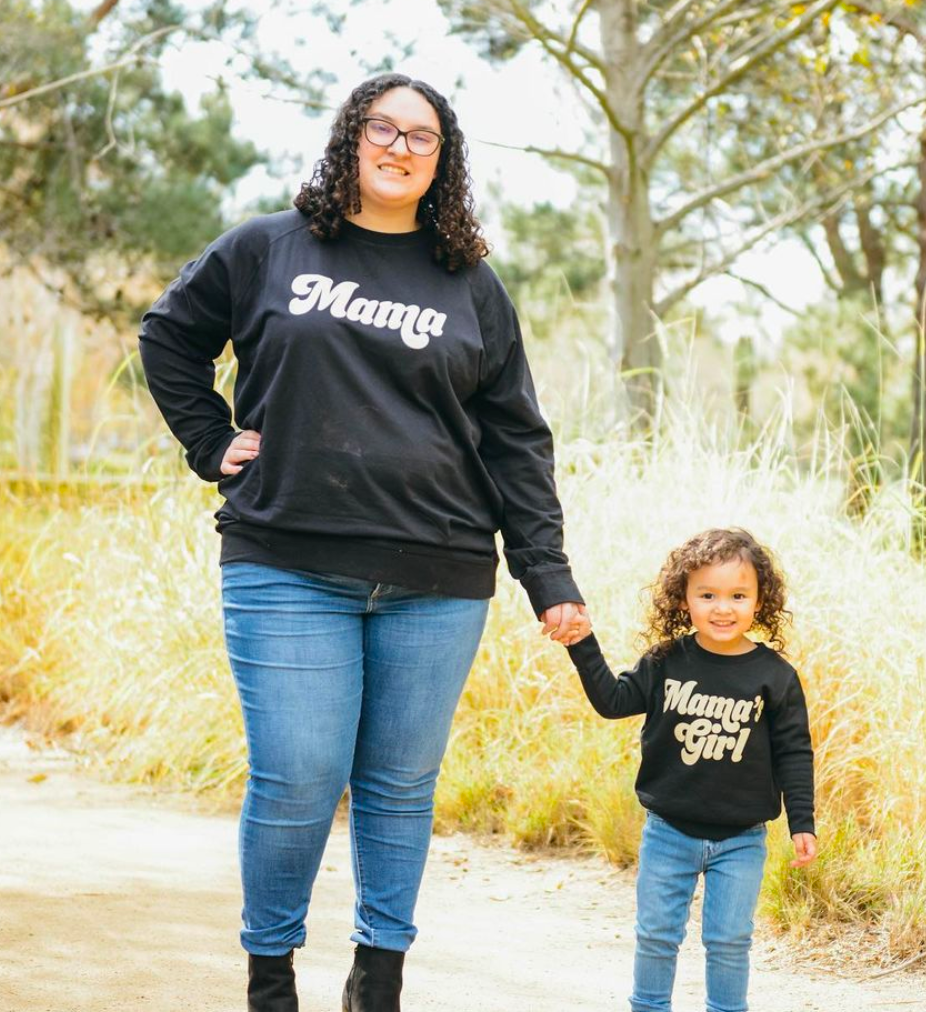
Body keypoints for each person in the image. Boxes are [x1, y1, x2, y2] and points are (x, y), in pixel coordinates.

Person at [138, 72, 591, 1012]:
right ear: (351, 136)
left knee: (398, 786)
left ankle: (378, 978)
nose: (399, 147)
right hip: (286, 559)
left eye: (422, 137)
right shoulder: (268, 247)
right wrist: (211, 440)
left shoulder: (470, 283)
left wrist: (546, 573)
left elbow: (515, 438)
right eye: (383, 127)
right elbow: (170, 337)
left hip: (439, 574)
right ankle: (271, 979)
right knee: (298, 777)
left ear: (442, 161)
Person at [563, 528, 816, 1012]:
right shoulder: (665, 662)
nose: (723, 608)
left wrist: (802, 821)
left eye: (738, 595)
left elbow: (794, 752)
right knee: (657, 936)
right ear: (684, 599)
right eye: (708, 595)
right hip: (668, 832)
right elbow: (613, 701)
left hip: (741, 838)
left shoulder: (775, 676)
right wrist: (583, 644)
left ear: (760, 600)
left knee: (729, 941)